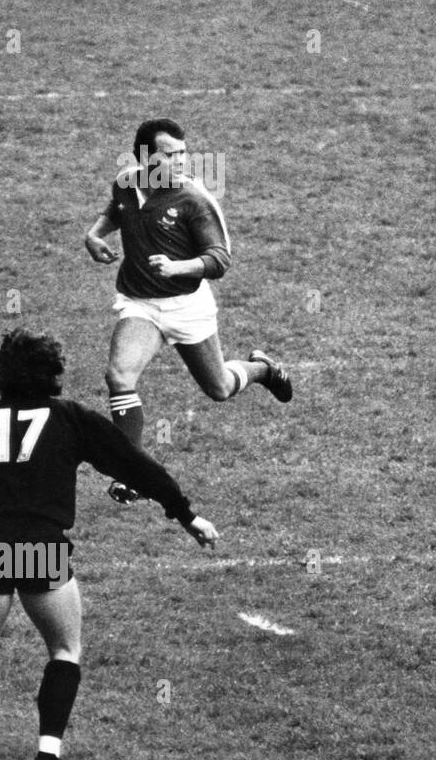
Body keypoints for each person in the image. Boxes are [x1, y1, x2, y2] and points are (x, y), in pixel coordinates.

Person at [0, 329, 217, 760]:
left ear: (2, 374)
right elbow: (136, 465)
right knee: (64, 650)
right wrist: (187, 515)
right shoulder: (71, 419)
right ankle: (47, 759)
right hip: (43, 544)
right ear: (54, 373)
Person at [84, 118, 292, 504]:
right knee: (119, 376)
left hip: (187, 307)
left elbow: (219, 259)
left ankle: (261, 368)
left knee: (219, 389)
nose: (180, 161)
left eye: (183, 154)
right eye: (170, 154)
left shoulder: (194, 200)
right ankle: (132, 473)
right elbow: (117, 209)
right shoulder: (127, 182)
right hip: (140, 302)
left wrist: (180, 267)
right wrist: (95, 235)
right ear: (144, 157)